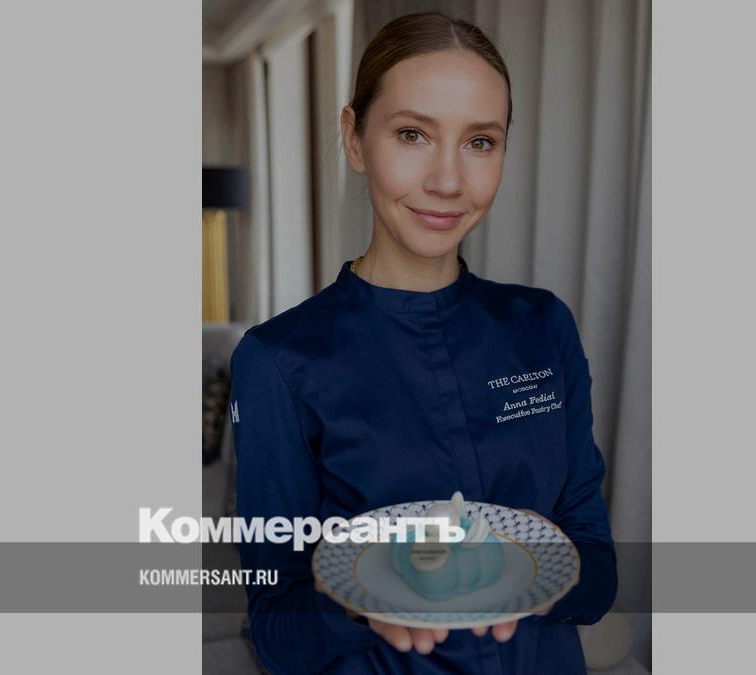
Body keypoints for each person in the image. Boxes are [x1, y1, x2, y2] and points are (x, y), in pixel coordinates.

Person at [229, 11, 617, 674]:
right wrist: (360, 600)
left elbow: (599, 572)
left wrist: (539, 571)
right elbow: (275, 631)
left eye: (480, 142)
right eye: (412, 134)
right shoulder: (278, 360)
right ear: (354, 138)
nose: (447, 181)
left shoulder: (542, 326)